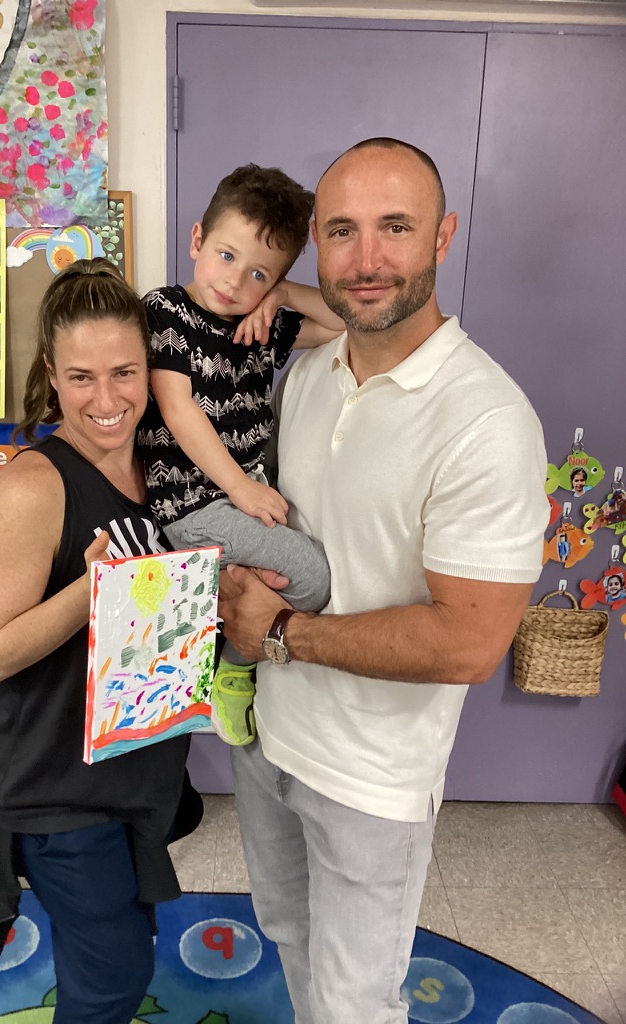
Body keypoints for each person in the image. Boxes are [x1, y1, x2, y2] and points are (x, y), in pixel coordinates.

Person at [217, 139, 548, 1024]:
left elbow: (469, 642)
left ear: (443, 236)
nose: (366, 259)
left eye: (394, 228)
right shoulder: (307, 377)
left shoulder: (487, 421)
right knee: (289, 939)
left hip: (372, 779)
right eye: (342, 232)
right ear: (316, 248)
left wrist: (280, 635)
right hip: (269, 739)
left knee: (355, 1002)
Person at [0, 258, 201, 1023]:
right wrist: (91, 588)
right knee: (114, 979)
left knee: (115, 947)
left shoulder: (162, 464)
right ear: (51, 375)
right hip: (53, 784)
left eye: (124, 372)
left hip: (130, 770)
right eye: (81, 377)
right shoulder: (33, 485)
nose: (107, 400)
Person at [138, 164, 343, 746]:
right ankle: (234, 664)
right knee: (314, 576)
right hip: (193, 505)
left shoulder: (262, 325)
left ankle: (232, 615)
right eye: (226, 256)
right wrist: (241, 489)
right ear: (197, 240)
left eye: (258, 273)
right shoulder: (166, 310)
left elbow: (343, 324)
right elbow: (177, 408)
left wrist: (281, 296)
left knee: (295, 571)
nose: (235, 282)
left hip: (235, 499)